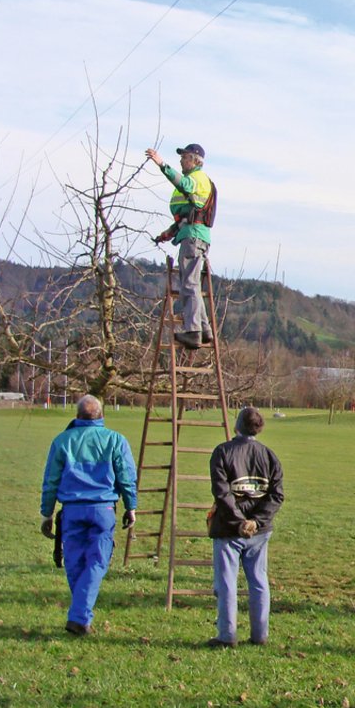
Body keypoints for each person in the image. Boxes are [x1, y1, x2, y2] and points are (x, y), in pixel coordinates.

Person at [39, 394, 137, 636]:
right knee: (97, 562)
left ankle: (80, 614)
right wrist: (131, 506)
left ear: (77, 415)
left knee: (74, 562)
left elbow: (51, 480)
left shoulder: (62, 441)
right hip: (102, 509)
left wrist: (47, 513)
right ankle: (79, 616)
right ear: (101, 416)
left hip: (72, 509)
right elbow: (126, 475)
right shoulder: (115, 440)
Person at [207, 407, 284, 648]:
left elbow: (222, 493)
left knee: (227, 583)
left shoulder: (222, 452)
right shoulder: (269, 456)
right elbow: (276, 495)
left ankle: (227, 636)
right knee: (259, 581)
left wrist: (240, 521)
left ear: (237, 426)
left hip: (229, 529)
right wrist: (256, 521)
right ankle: (260, 635)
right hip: (259, 533)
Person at [146, 143, 215, 350]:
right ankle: (204, 329)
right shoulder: (197, 181)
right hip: (193, 234)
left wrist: (162, 165)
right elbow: (188, 216)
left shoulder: (197, 179)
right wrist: (168, 234)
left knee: (189, 285)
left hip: (193, 238)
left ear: (195, 159)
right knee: (192, 283)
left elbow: (184, 185)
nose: (181, 160)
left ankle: (193, 331)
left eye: (184, 157)